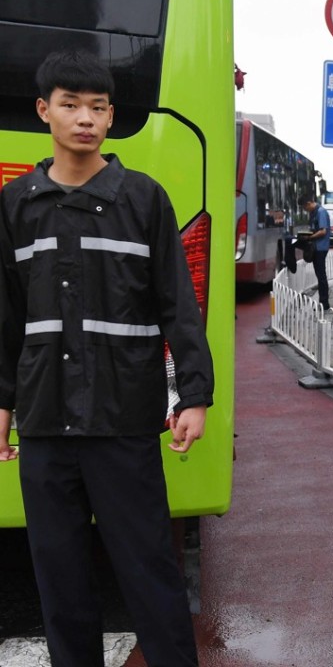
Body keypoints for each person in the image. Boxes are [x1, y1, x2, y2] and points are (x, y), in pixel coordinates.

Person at [0, 50, 211, 666]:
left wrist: (194, 394)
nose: (85, 119)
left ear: (112, 116)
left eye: (97, 107)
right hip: (45, 422)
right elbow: (7, 315)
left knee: (149, 573)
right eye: (70, 105)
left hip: (123, 421)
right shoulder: (15, 206)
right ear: (45, 111)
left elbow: (179, 304)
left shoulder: (144, 199)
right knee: (59, 581)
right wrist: (4, 400)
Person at [301, 193, 331, 310]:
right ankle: (322, 302)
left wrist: (310, 237)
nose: (305, 210)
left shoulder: (320, 212)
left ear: (309, 203)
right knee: (319, 276)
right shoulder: (314, 213)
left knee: (321, 276)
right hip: (316, 248)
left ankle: (324, 303)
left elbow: (323, 231)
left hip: (320, 248)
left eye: (305, 207)